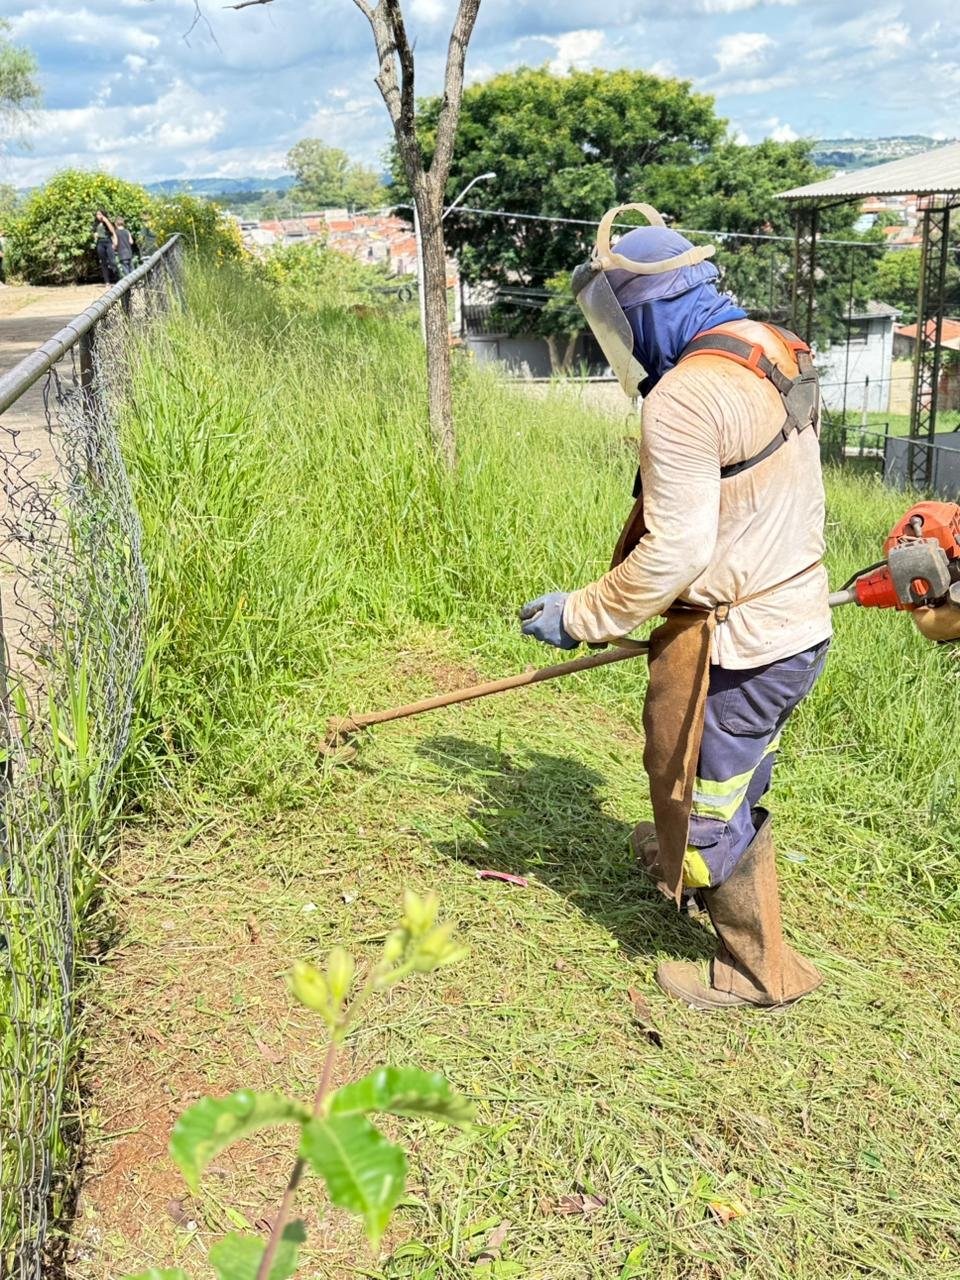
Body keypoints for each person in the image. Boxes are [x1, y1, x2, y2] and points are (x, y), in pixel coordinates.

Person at [519, 202, 831, 1012]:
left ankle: (757, 972)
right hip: (794, 625)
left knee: (704, 801)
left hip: (744, 641)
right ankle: (683, 855)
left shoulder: (685, 399)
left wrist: (582, 615)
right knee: (732, 776)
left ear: (648, 310)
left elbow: (675, 552)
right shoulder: (769, 345)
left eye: (621, 321)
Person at [93, 210, 118, 284]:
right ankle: (107, 282)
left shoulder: (107, 222)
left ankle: (117, 278)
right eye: (97, 214)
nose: (98, 216)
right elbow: (94, 234)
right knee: (103, 263)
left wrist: (106, 221)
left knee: (112, 261)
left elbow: (113, 231)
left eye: (100, 214)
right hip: (100, 243)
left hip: (108, 242)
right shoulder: (95, 224)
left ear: (103, 215)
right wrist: (95, 235)